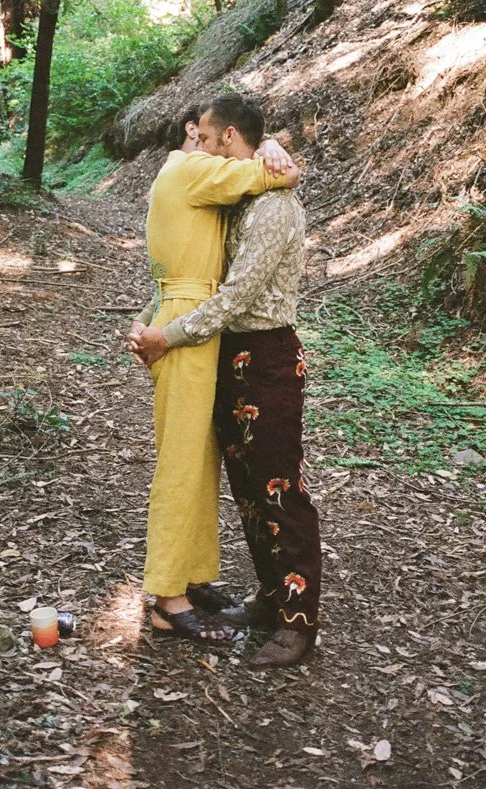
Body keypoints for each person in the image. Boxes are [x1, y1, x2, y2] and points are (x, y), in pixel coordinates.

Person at [132, 93, 318, 668]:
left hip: (266, 353)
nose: (200, 147)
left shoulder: (274, 206)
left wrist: (171, 333)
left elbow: (238, 294)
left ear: (230, 138)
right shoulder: (239, 195)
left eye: (208, 140)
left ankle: (297, 621)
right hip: (227, 352)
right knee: (246, 489)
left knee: (279, 490)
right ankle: (269, 597)